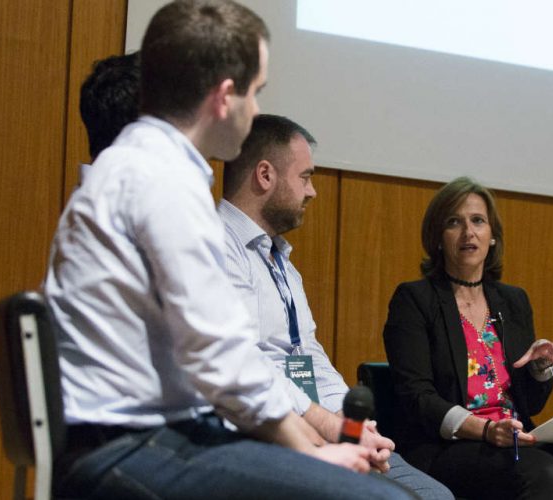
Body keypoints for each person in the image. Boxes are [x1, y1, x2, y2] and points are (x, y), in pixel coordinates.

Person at [44, 1, 412, 498]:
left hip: (142, 436)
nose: (255, 110)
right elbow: (219, 355)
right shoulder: (160, 181)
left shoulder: (139, 167)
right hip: (128, 446)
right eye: (254, 93)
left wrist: (313, 446)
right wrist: (312, 454)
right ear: (223, 97)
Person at [220, 113, 454, 499]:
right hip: (266, 433)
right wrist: (329, 427)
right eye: (305, 177)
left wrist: (354, 427)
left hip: (318, 428)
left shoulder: (281, 262)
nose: (312, 191)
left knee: (436, 496)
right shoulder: (217, 245)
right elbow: (243, 361)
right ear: (265, 175)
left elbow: (309, 356)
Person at [382, 177, 553, 499]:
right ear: (438, 237)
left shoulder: (513, 301)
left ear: (492, 235)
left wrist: (538, 369)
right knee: (542, 472)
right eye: (454, 222)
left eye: (478, 221)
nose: (468, 232)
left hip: (513, 437)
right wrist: (487, 430)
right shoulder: (415, 299)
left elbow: (531, 404)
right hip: (446, 446)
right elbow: (417, 397)